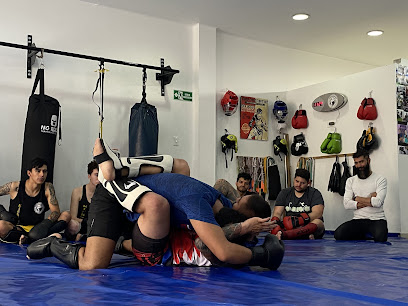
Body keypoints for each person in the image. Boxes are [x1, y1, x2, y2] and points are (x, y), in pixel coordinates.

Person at [27, 139, 284, 270]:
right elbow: (222, 251)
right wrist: (261, 254)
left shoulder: (223, 200)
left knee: (181, 167)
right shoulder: (200, 204)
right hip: (117, 198)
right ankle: (54, 245)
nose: (235, 200)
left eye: (238, 202)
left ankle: (119, 166)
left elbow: (224, 192)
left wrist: (264, 227)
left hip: (139, 196)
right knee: (92, 266)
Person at [0, 158, 71, 244]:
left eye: (44, 171)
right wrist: (2, 212)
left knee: (67, 215)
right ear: (29, 173)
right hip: (18, 227)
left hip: (38, 227)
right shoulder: (15, 187)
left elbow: (55, 211)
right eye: (38, 171)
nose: (42, 174)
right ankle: (34, 238)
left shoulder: (47, 187)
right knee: (1, 226)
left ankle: (32, 237)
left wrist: (45, 224)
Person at [334, 150, 388, 242]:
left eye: (361, 162)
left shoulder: (380, 179)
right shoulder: (350, 181)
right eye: (356, 163)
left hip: (377, 219)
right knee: (338, 234)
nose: (359, 166)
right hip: (358, 219)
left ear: (368, 161)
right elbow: (347, 204)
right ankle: (363, 234)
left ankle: (366, 234)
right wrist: (370, 199)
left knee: (380, 238)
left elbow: (378, 202)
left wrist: (356, 198)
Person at [271, 168, 325, 240]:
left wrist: (298, 220)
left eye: (302, 183)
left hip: (307, 226)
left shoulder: (314, 193)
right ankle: (298, 235)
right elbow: (277, 212)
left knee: (319, 223)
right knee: (275, 224)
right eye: (297, 181)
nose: (298, 185)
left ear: (309, 182)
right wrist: (275, 222)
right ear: (294, 179)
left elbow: (318, 213)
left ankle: (287, 235)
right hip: (289, 226)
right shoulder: (284, 193)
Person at [65, 161, 99, 241]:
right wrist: (86, 221)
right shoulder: (78, 192)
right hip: (81, 225)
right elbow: (73, 217)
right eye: (96, 175)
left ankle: (85, 236)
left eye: (101, 175)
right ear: (89, 176)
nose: (99, 178)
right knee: (73, 225)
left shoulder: (103, 194)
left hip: (94, 227)